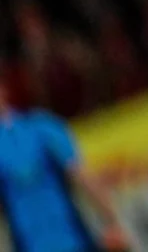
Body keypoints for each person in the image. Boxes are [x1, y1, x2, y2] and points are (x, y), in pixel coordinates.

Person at [0, 79, 127, 252]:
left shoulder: (41, 127)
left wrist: (113, 222)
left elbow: (82, 176)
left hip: (74, 239)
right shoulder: (42, 125)